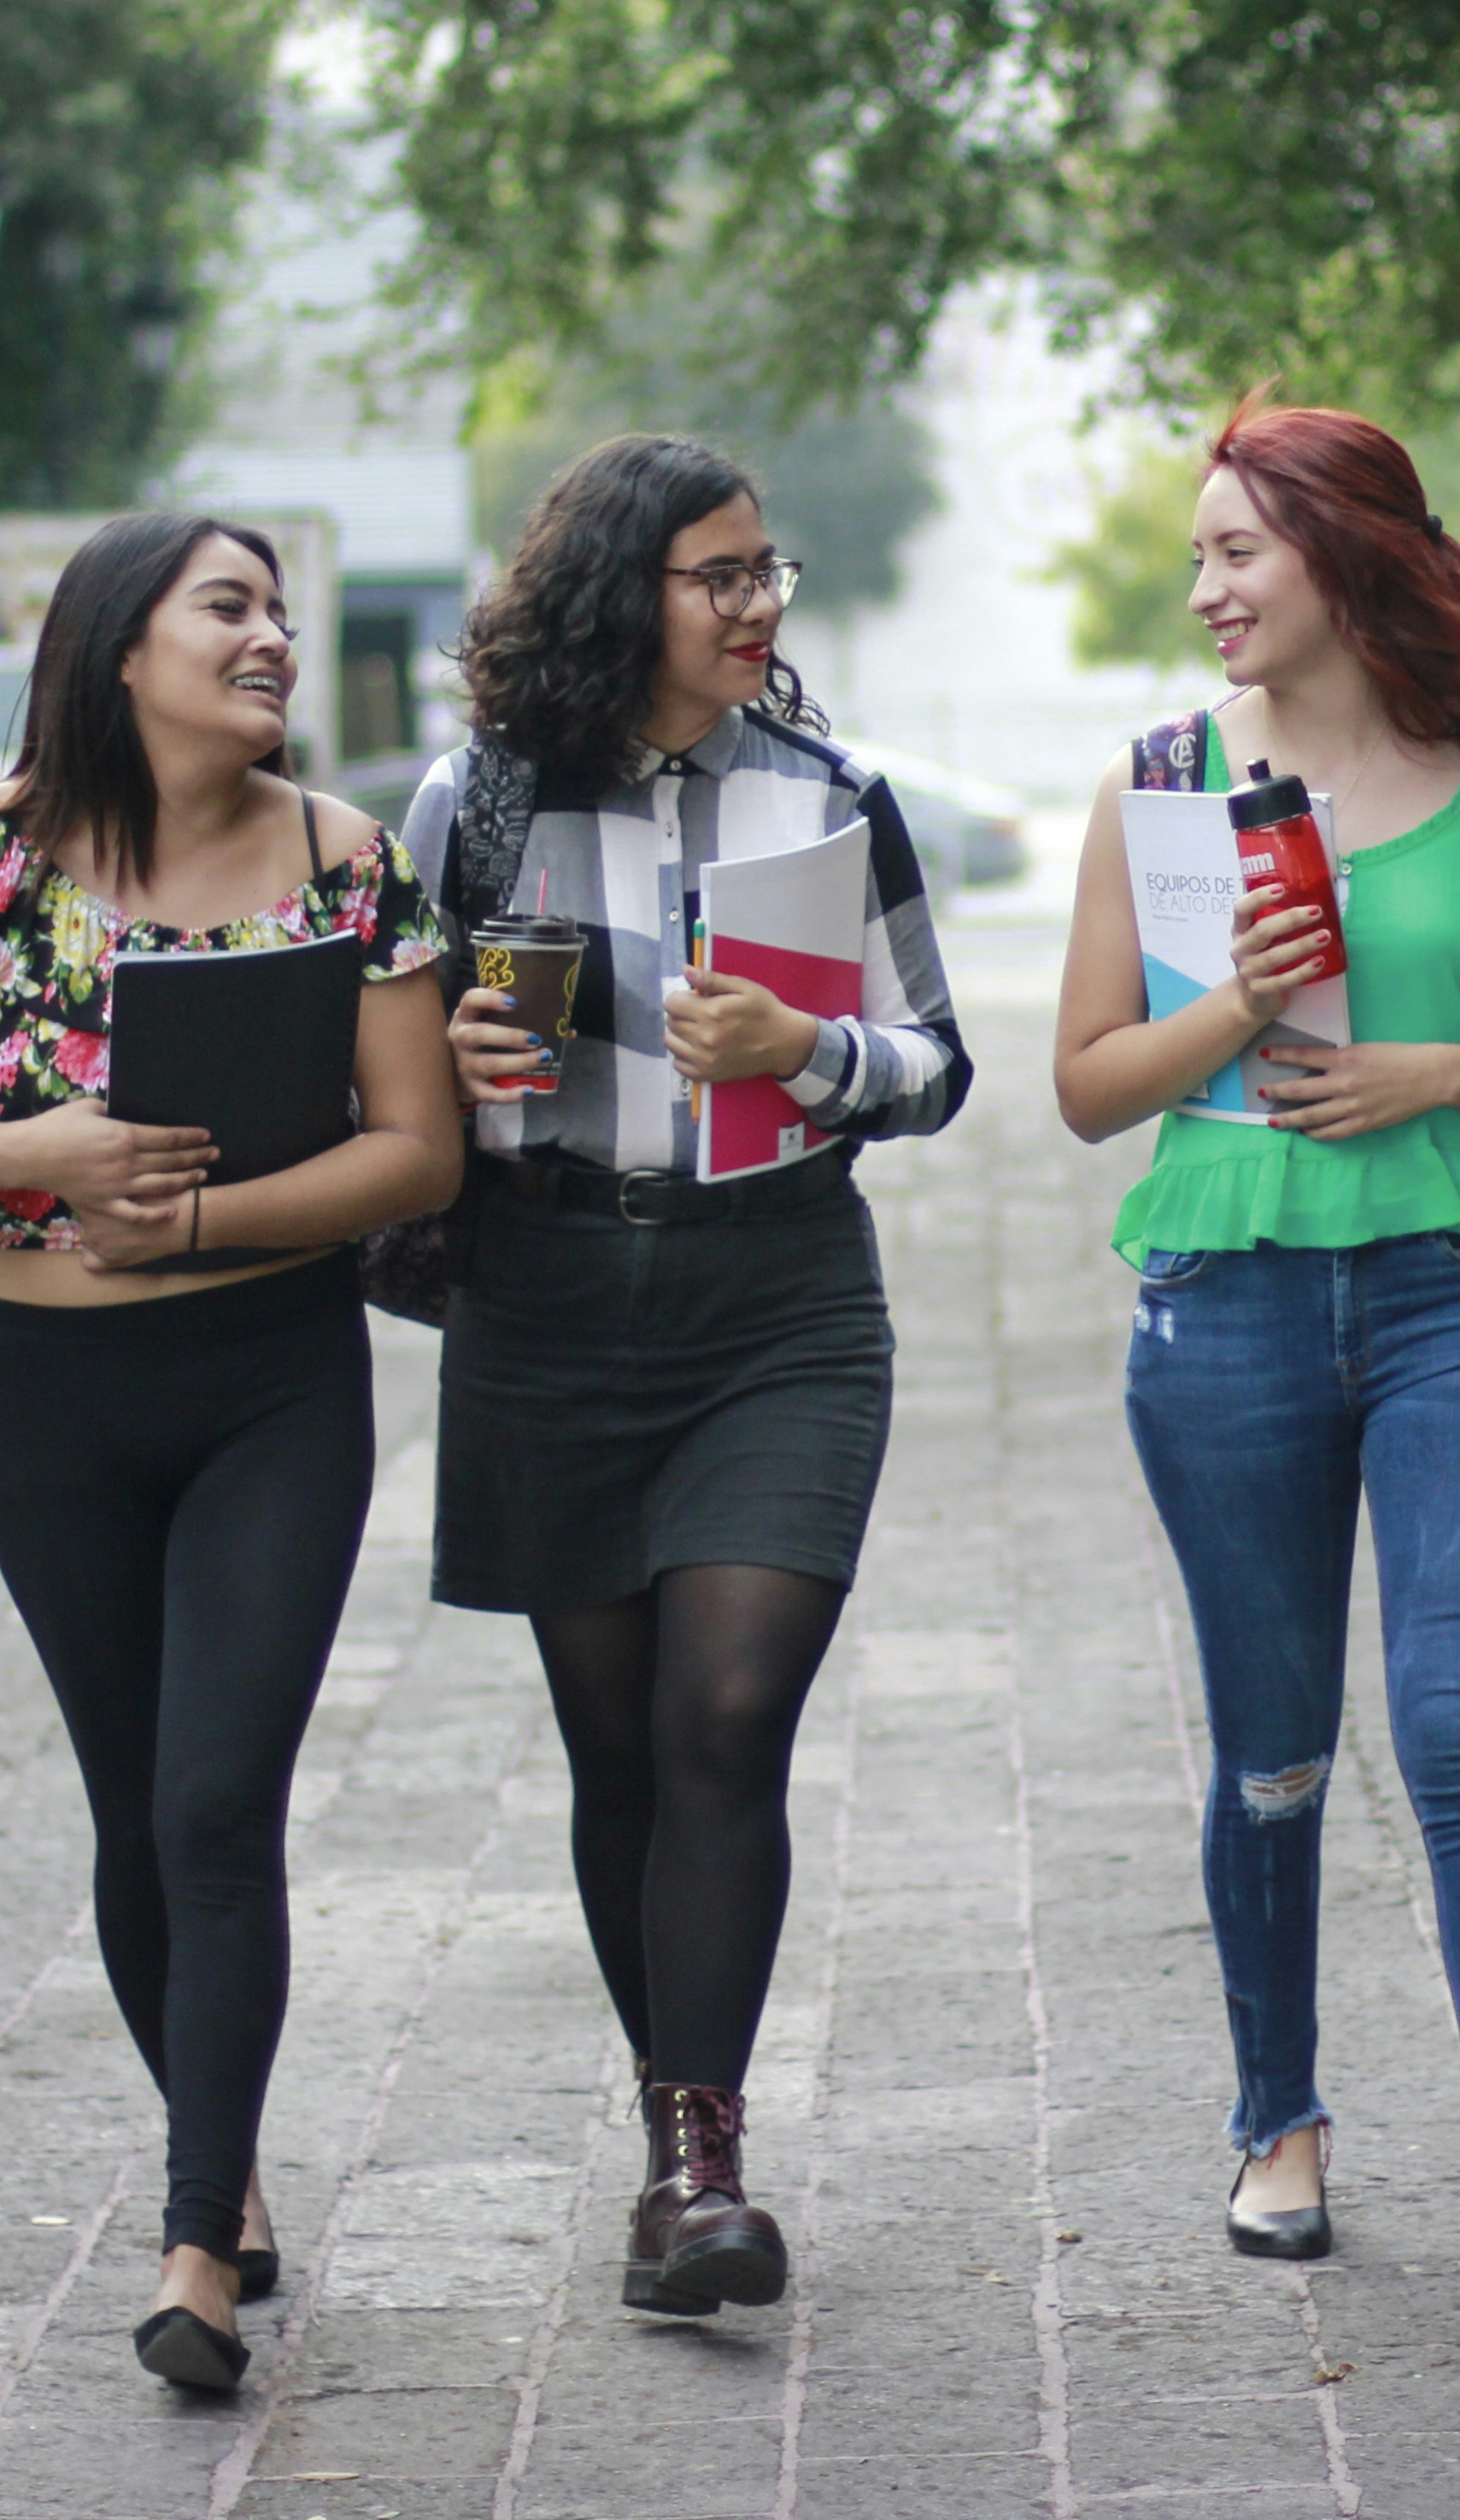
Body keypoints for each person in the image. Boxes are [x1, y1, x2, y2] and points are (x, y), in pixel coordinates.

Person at [0, 514, 463, 2398]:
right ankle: (232, 2163)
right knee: (131, 1808)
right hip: (43, 1400)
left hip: (274, 1378)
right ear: (120, 645)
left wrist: (191, 1222)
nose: (270, 638)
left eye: (278, 609)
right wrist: (52, 1157)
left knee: (212, 1805)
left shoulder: (350, 861)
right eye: (228, 608)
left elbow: (416, 1152)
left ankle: (193, 2250)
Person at [1052, 397, 1460, 2310]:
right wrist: (1233, 991)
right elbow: (1083, 1091)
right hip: (1223, 1302)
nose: (1207, 586)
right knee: (1275, 1755)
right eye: (1203, 555)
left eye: (1239, 548)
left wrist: (1441, 1073)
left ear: (1342, 550)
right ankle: (1278, 2120)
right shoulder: (1155, 782)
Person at [402, 432, 968, 2319]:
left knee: (726, 1718)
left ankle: (702, 2159)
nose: (758, 607)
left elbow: (937, 1065)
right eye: (717, 575)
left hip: (780, 1299)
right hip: (552, 1300)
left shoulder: (834, 797)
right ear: (617, 592)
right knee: (618, 1752)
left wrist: (807, 1047)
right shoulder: (468, 809)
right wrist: (462, 1075)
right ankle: (675, 2140)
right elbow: (379, 1089)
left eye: (768, 572)